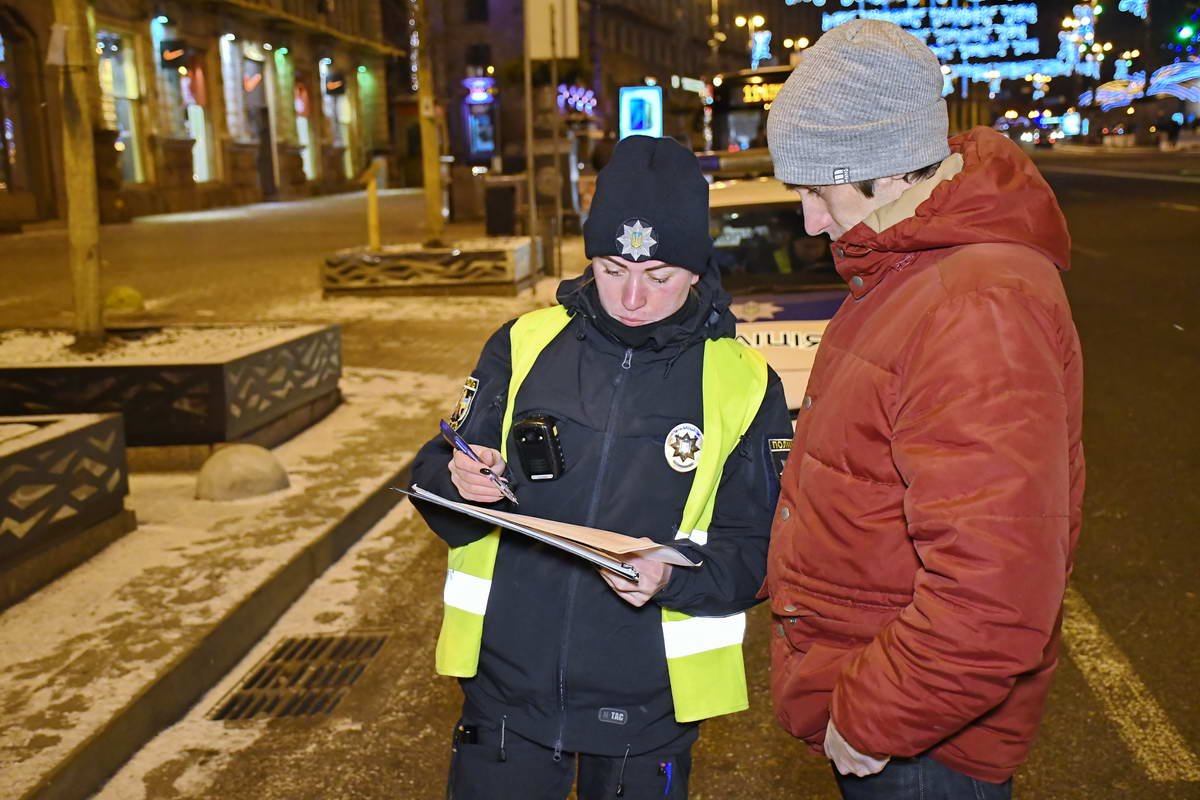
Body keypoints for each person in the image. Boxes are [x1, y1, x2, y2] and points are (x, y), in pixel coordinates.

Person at [411, 135, 792, 800]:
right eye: (614, 269)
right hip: (506, 703)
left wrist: (671, 576)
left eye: (659, 275)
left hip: (647, 713)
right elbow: (440, 476)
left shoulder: (745, 383)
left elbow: (762, 549)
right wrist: (458, 479)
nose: (633, 298)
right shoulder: (523, 343)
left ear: (698, 271)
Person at [763, 19, 1084, 800]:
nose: (809, 220)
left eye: (816, 189)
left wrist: (874, 718)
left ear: (878, 168)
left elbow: (996, 587)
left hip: (924, 747)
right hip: (907, 720)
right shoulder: (911, 275)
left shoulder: (976, 304)